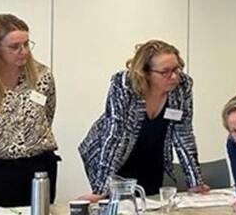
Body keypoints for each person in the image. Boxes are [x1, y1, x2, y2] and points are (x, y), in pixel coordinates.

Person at [79, 40, 207, 199]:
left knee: (151, 205)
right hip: (111, 157)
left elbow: (184, 135)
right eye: (165, 71)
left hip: (152, 155)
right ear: (145, 72)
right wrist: (99, 190)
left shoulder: (182, 86)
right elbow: (114, 135)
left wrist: (195, 182)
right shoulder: (124, 84)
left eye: (176, 68)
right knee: (120, 208)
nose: (174, 76)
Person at [0, 14, 59, 208]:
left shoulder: (42, 76)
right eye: (14, 47)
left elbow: (47, 114)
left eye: (27, 44)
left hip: (38, 167)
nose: (23, 51)